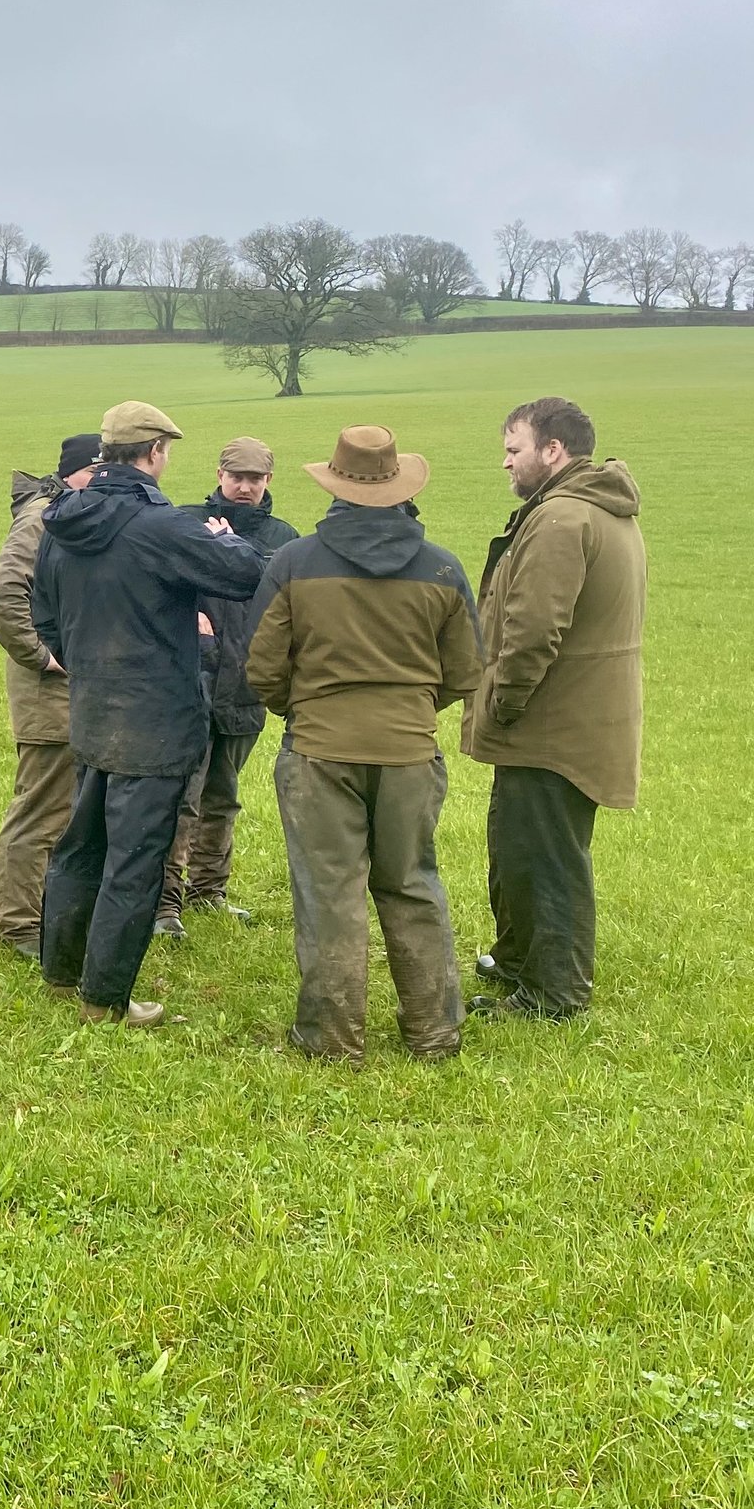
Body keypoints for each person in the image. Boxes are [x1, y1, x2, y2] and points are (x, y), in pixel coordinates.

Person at [245, 427, 483, 1062]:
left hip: (318, 752)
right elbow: (465, 671)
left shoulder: (293, 562)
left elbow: (261, 665)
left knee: (330, 893)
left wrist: (305, 708)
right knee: (413, 885)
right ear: (400, 487)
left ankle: (332, 1038)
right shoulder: (442, 567)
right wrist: (410, 709)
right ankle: (434, 1032)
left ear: (336, 486)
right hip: (410, 752)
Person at [33, 403, 262, 1025]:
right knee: (134, 861)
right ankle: (105, 999)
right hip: (156, 721)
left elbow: (45, 616)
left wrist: (87, 666)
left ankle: (61, 973)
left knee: (80, 846)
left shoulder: (63, 522)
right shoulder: (161, 526)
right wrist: (226, 538)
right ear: (155, 451)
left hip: (91, 710)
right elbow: (247, 574)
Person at [462, 397, 646, 1020]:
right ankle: (519, 960)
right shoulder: (595, 510)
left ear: (553, 450)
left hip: (552, 723)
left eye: (514, 449)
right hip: (571, 717)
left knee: (547, 859)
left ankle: (554, 993)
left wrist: (504, 703)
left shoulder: (562, 518)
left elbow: (534, 629)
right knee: (518, 844)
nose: (506, 462)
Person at [157, 435, 302, 935]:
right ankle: (165, 902)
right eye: (236, 477)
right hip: (189, 680)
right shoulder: (185, 522)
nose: (244, 487)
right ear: (219, 475)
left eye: (254, 479)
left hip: (246, 681)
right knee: (181, 797)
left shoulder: (285, 538)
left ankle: (209, 891)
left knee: (223, 794)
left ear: (269, 481)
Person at [0, 432, 100, 959]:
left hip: (74, 690)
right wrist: (41, 656)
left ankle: (47, 910)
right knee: (41, 809)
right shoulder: (43, 519)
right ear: (72, 473)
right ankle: (17, 925)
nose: (100, 480)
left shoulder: (73, 516)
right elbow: (4, 590)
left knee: (66, 808)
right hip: (49, 690)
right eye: (94, 470)